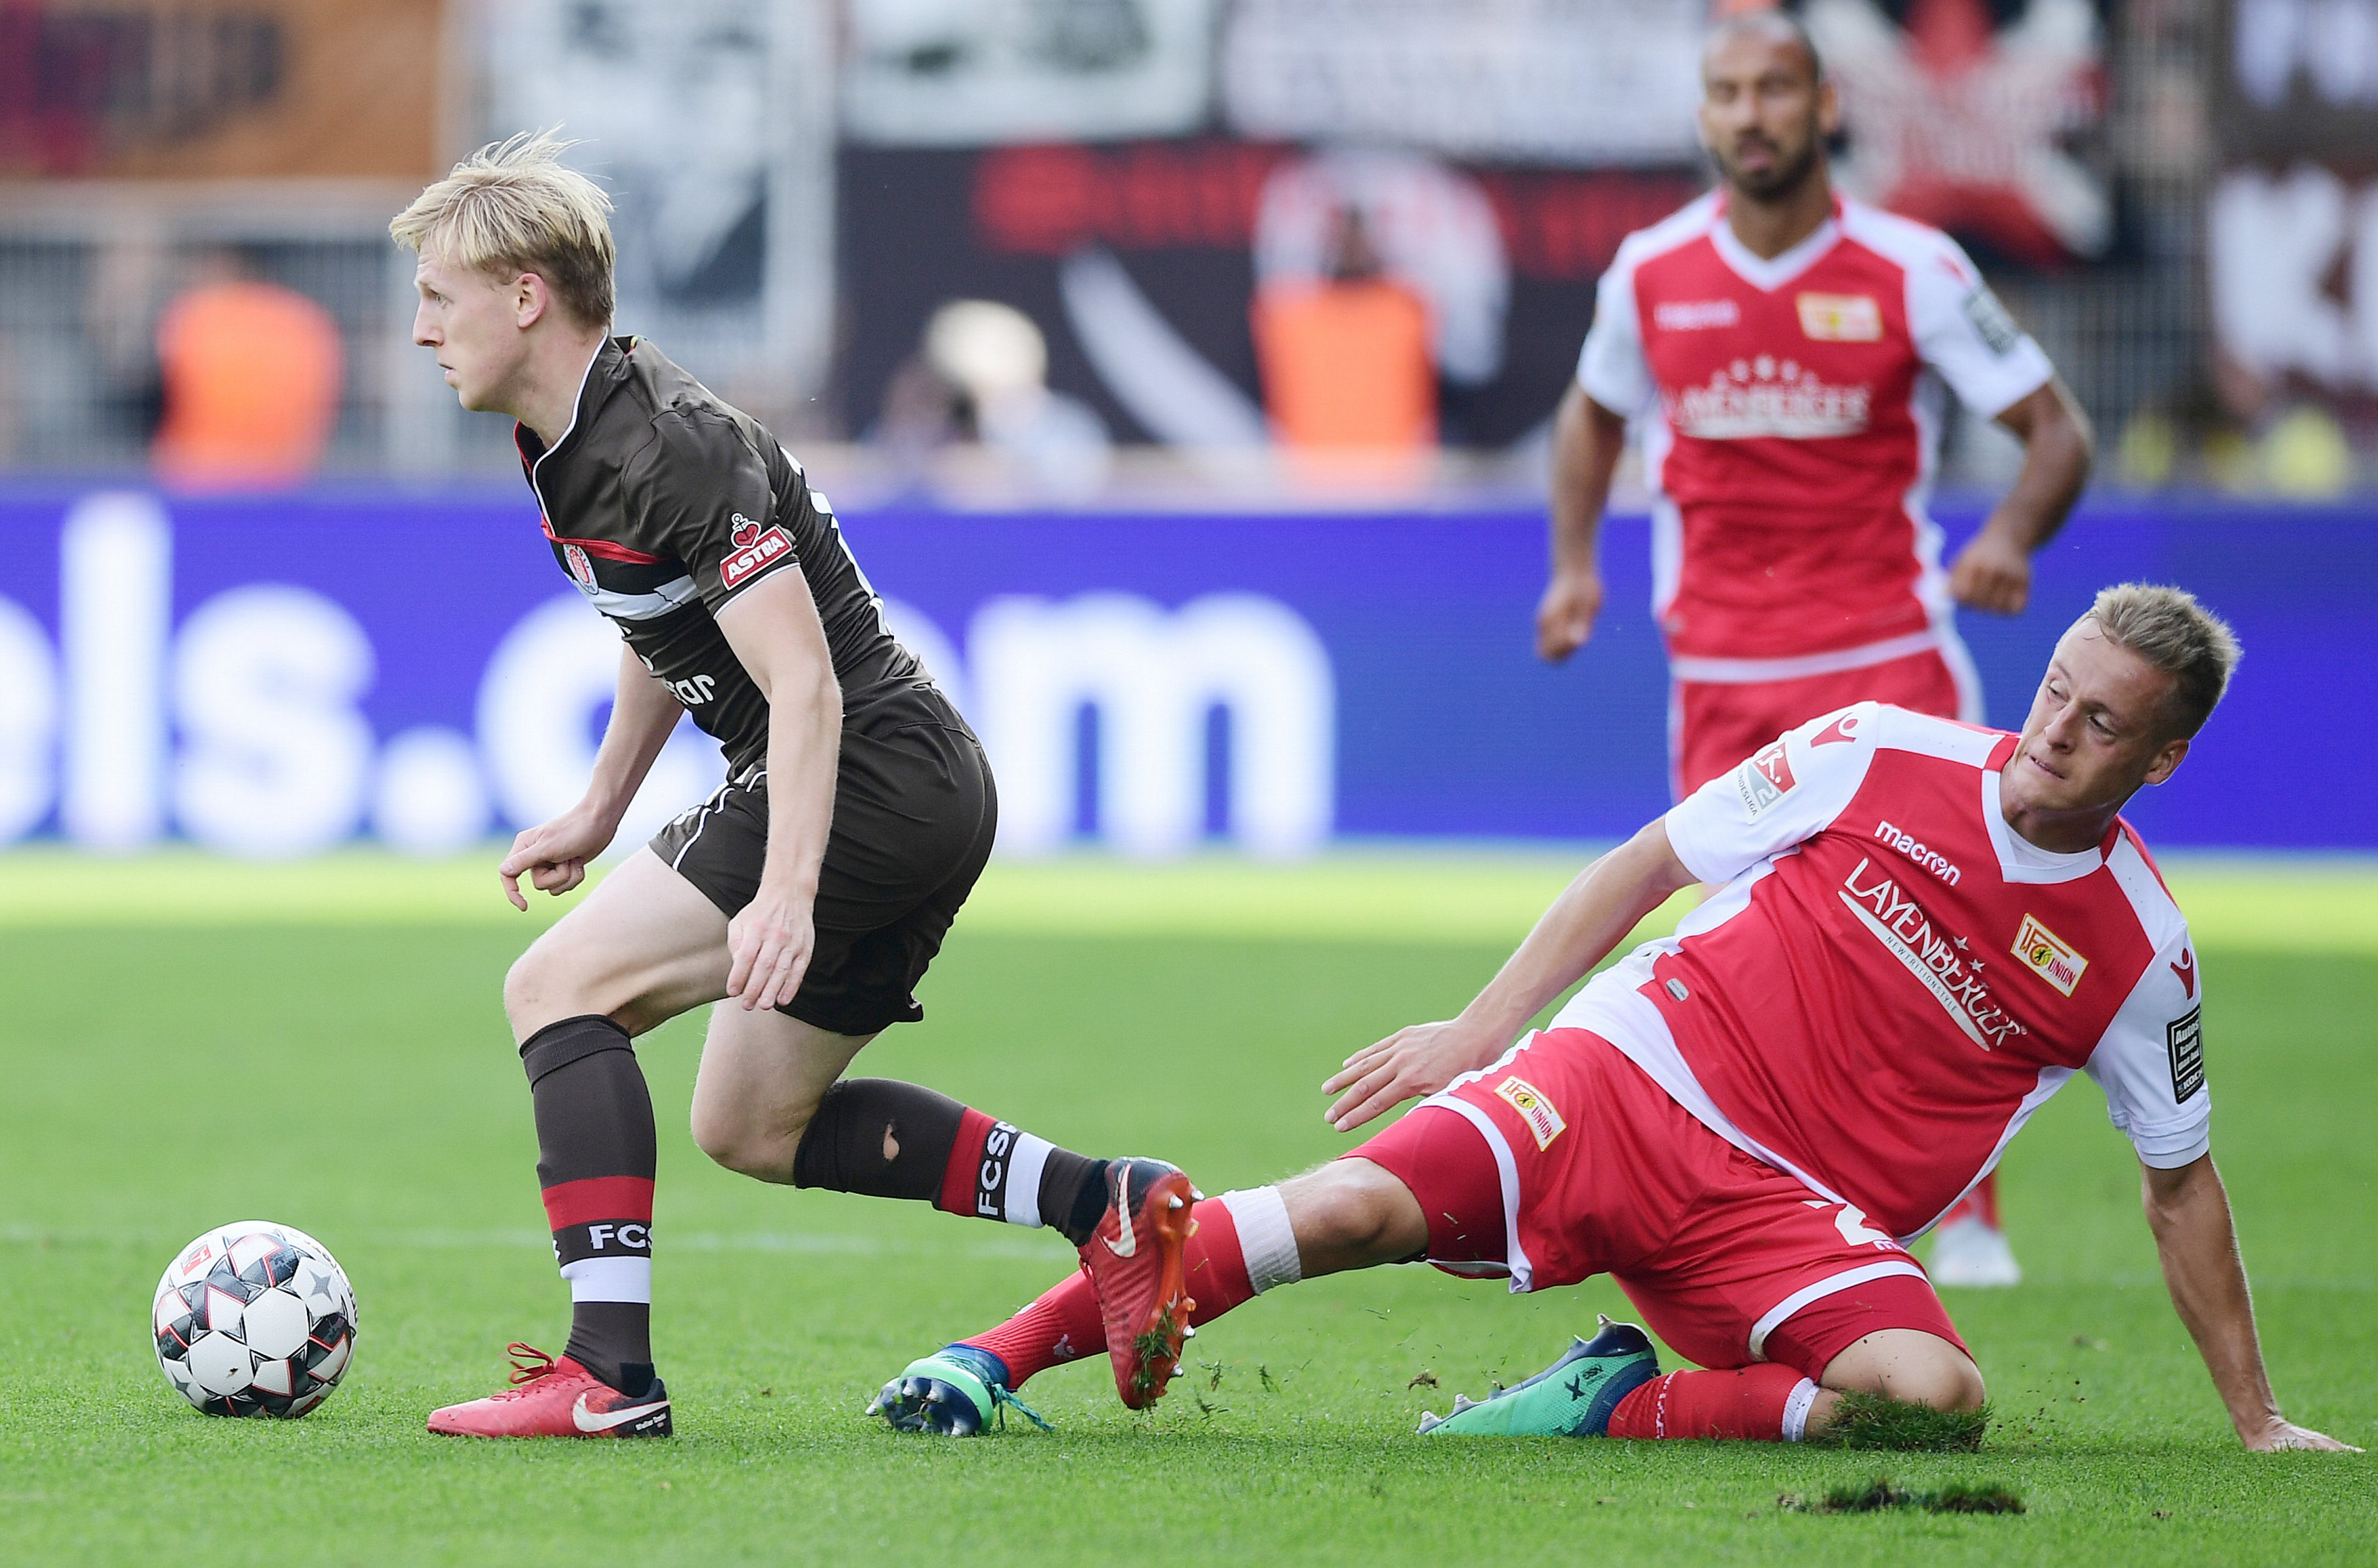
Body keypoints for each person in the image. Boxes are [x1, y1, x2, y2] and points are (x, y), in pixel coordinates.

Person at [875, 585, 2353, 1456]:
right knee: (1346, 1209)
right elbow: (1647, 865)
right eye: (2056, 688)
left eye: (2103, 723)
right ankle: (988, 1360)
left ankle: (1617, 1405)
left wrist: (2257, 1419)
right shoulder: (1882, 750)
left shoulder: (2142, 953)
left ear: (2159, 762)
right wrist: (1482, 1024)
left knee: (1932, 1400)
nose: (2056, 728)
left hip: (1793, 1216)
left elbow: (2181, 1188)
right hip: (1630, 1068)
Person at [388, 133, 1193, 1440]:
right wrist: (602, 805)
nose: (422, 328)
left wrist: (786, 889)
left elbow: (806, 685)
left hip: (869, 770)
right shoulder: (571, 437)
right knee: (754, 1122)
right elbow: (658, 616)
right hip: (893, 779)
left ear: (524, 294)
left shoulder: (670, 445)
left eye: (439, 295)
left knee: (554, 986)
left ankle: (608, 1376)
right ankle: (1103, 1200)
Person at [1534, 12, 2096, 1286]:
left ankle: (1973, 1217)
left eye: (1773, 90)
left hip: (1886, 659)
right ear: (1702, 117)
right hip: (1722, 671)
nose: (1750, 114)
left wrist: (2009, 534)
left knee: (1950, 932)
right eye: (1726, 92)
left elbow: (2054, 430)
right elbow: (1590, 417)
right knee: (1733, 948)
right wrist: (1575, 567)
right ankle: (1758, 1194)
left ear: (1824, 105)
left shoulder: (1913, 268)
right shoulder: (1650, 272)